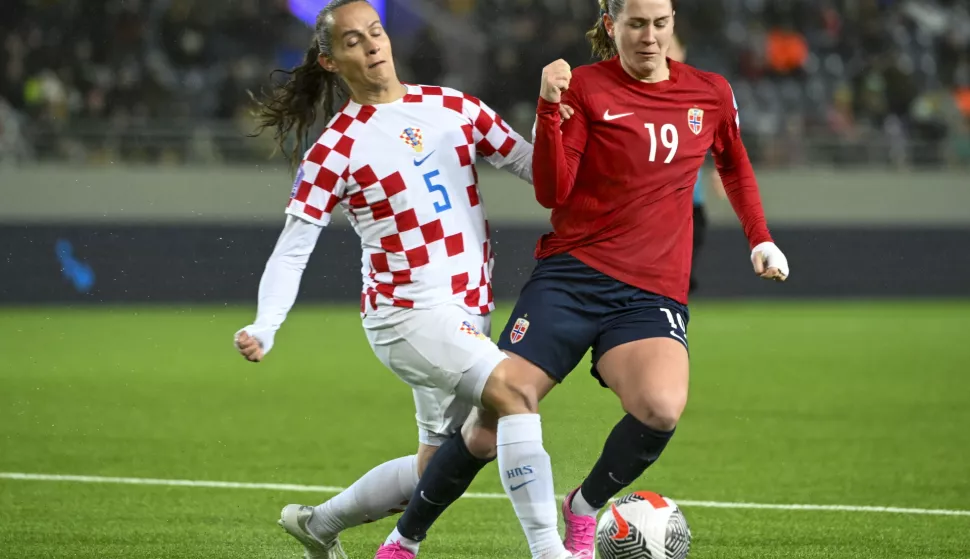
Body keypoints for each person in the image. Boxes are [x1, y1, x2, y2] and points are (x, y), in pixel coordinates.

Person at [376, 0, 791, 558]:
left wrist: (759, 237)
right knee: (490, 422)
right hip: (572, 278)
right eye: (636, 24)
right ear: (610, 25)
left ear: (673, 24)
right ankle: (404, 541)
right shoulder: (583, 88)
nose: (649, 37)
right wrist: (549, 108)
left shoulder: (710, 92)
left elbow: (735, 164)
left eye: (660, 24)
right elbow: (552, 190)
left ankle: (583, 507)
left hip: (650, 292)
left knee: (661, 408)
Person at [232, 2, 575, 559]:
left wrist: (551, 110)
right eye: (352, 41)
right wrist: (266, 325)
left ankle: (319, 525)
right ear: (330, 61)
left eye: (376, 32)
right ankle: (548, 551)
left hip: (468, 309)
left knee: (440, 466)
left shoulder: (452, 106)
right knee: (516, 391)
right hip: (406, 315)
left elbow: (538, 170)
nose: (371, 46)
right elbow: (293, 249)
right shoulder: (335, 149)